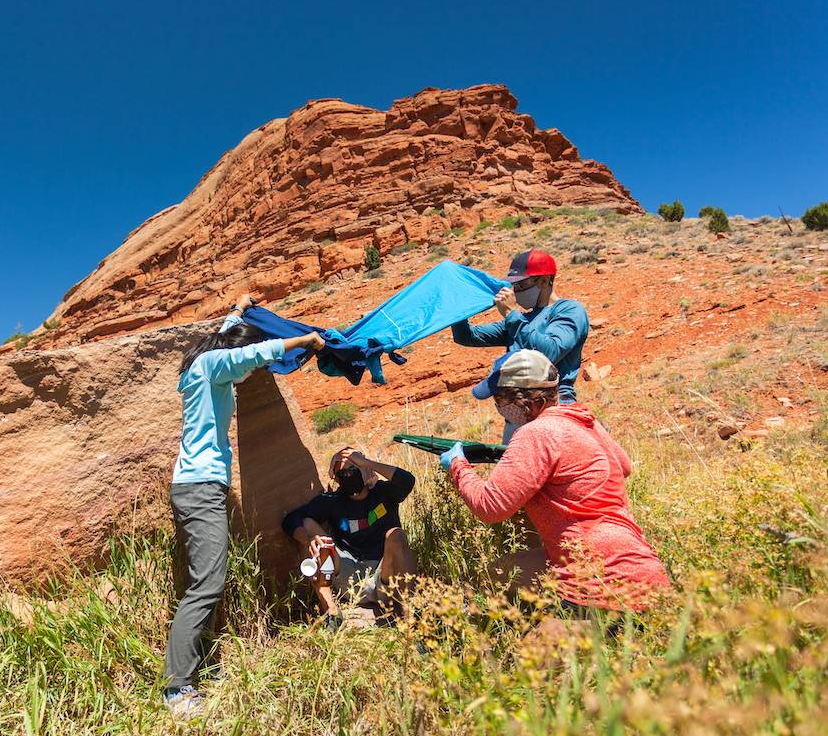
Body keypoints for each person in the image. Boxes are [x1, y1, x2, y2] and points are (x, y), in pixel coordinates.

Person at [164, 294, 325, 717]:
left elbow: (225, 341)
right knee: (207, 584)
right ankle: (176, 687)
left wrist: (237, 310)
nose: (251, 373)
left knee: (209, 580)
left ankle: (197, 670)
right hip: (200, 488)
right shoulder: (214, 366)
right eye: (246, 365)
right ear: (234, 355)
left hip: (197, 486)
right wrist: (302, 340)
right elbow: (251, 352)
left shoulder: (204, 365)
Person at [439, 349, 671, 617]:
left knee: (541, 655)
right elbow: (624, 465)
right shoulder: (583, 420)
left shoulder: (535, 432)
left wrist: (458, 465)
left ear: (526, 401)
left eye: (501, 400)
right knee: (502, 570)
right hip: (640, 566)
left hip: (598, 577)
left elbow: (490, 506)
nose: (501, 409)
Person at [451, 249, 589, 442]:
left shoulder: (568, 310)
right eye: (514, 285)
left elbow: (549, 352)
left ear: (544, 280)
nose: (516, 291)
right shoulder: (521, 320)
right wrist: (459, 309)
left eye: (522, 284)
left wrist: (510, 314)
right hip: (519, 409)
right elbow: (466, 336)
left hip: (553, 405)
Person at [282, 448, 418, 630]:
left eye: (354, 469)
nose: (348, 475)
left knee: (397, 535)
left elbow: (407, 480)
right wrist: (309, 539)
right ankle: (332, 614)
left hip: (384, 574)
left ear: (366, 471)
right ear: (336, 478)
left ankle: (411, 614)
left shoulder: (383, 493)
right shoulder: (332, 501)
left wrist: (367, 463)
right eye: (343, 473)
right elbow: (291, 520)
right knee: (311, 528)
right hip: (350, 579)